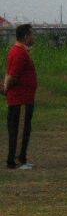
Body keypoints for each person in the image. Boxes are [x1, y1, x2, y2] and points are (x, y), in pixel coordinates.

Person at [2, 24, 37, 170]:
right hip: (20, 99)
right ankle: (16, 161)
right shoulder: (19, 53)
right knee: (20, 130)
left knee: (21, 129)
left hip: (23, 98)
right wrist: (6, 88)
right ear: (25, 36)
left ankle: (20, 158)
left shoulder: (19, 52)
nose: (33, 37)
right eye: (31, 34)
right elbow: (12, 76)